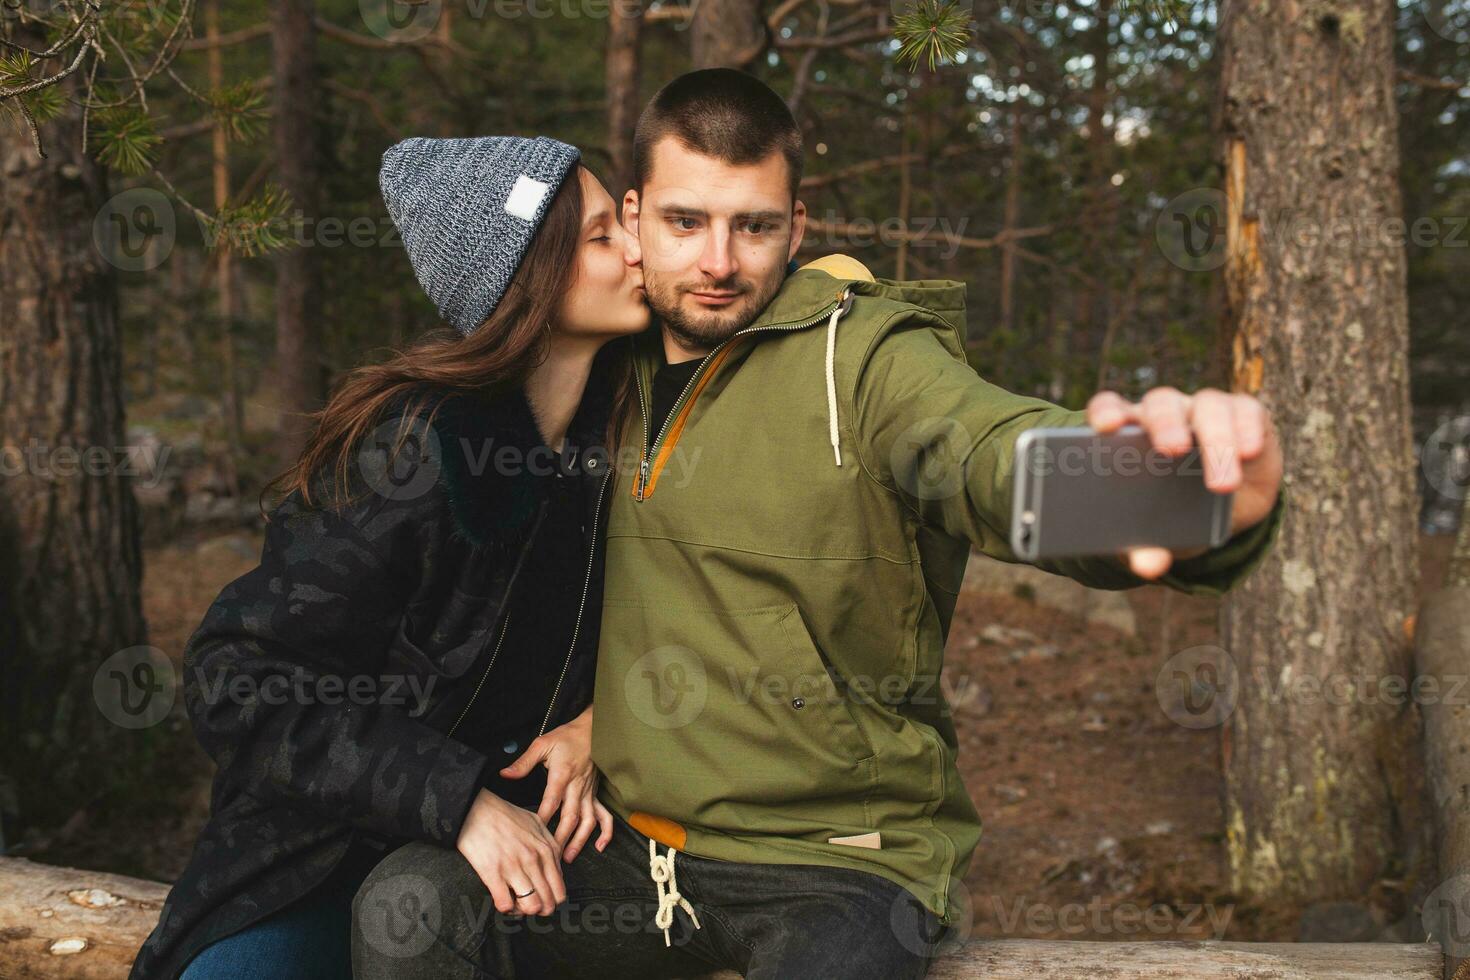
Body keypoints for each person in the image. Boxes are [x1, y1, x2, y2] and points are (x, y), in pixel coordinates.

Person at [354, 70, 1288, 980]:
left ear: (796, 227)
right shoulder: (600, 364)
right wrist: (601, 718)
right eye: (687, 222)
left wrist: (1176, 492)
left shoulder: (871, 364)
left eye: (753, 226)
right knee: (417, 904)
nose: (719, 262)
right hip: (630, 853)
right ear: (632, 220)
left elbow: (987, 454)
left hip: (834, 862)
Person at [128, 135, 650, 980]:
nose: (638, 247)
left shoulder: (626, 445)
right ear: (528, 276)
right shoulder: (411, 452)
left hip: (507, 881)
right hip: (318, 861)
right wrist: (457, 801)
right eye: (599, 236)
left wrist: (604, 727)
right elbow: (236, 678)